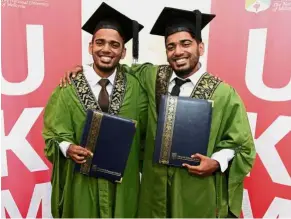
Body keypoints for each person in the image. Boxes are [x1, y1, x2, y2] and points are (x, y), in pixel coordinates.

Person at [60, 7, 256, 218]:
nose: (178, 52)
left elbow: (240, 145)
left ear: (201, 47)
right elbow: (114, 67)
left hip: (194, 190)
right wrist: (84, 69)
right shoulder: (153, 77)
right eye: (171, 46)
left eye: (185, 44)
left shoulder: (223, 94)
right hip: (153, 190)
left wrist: (216, 162)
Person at [42, 2, 147, 218]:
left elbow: (148, 135)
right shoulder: (67, 87)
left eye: (114, 44)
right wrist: (67, 147)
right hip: (82, 187)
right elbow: (52, 136)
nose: (106, 49)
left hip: (123, 186)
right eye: (100, 42)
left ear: (123, 51)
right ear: (90, 47)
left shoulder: (137, 88)